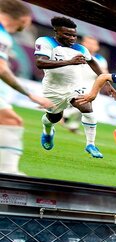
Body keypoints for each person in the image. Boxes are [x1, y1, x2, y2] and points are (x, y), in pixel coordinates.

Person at [35, 16, 116, 158]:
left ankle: (90, 144)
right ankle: (47, 131)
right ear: (57, 32)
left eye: (74, 35)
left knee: (87, 108)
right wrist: (69, 62)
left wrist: (107, 82)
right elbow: (40, 63)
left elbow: (93, 63)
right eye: (67, 34)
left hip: (75, 86)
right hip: (52, 88)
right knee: (53, 117)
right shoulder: (45, 42)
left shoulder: (80, 48)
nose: (72, 38)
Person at [0, 0, 52, 175]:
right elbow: (1, 69)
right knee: (12, 121)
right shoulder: (2, 36)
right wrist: (31, 95)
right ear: (23, 18)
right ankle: (8, 172)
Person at [62, 35, 105, 133]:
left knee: (86, 107)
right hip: (76, 82)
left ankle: (73, 124)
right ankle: (65, 116)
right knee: (79, 103)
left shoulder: (101, 59)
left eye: (93, 44)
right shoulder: (76, 54)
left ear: (97, 47)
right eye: (88, 43)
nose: (90, 46)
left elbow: (104, 73)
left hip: (92, 85)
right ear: (83, 43)